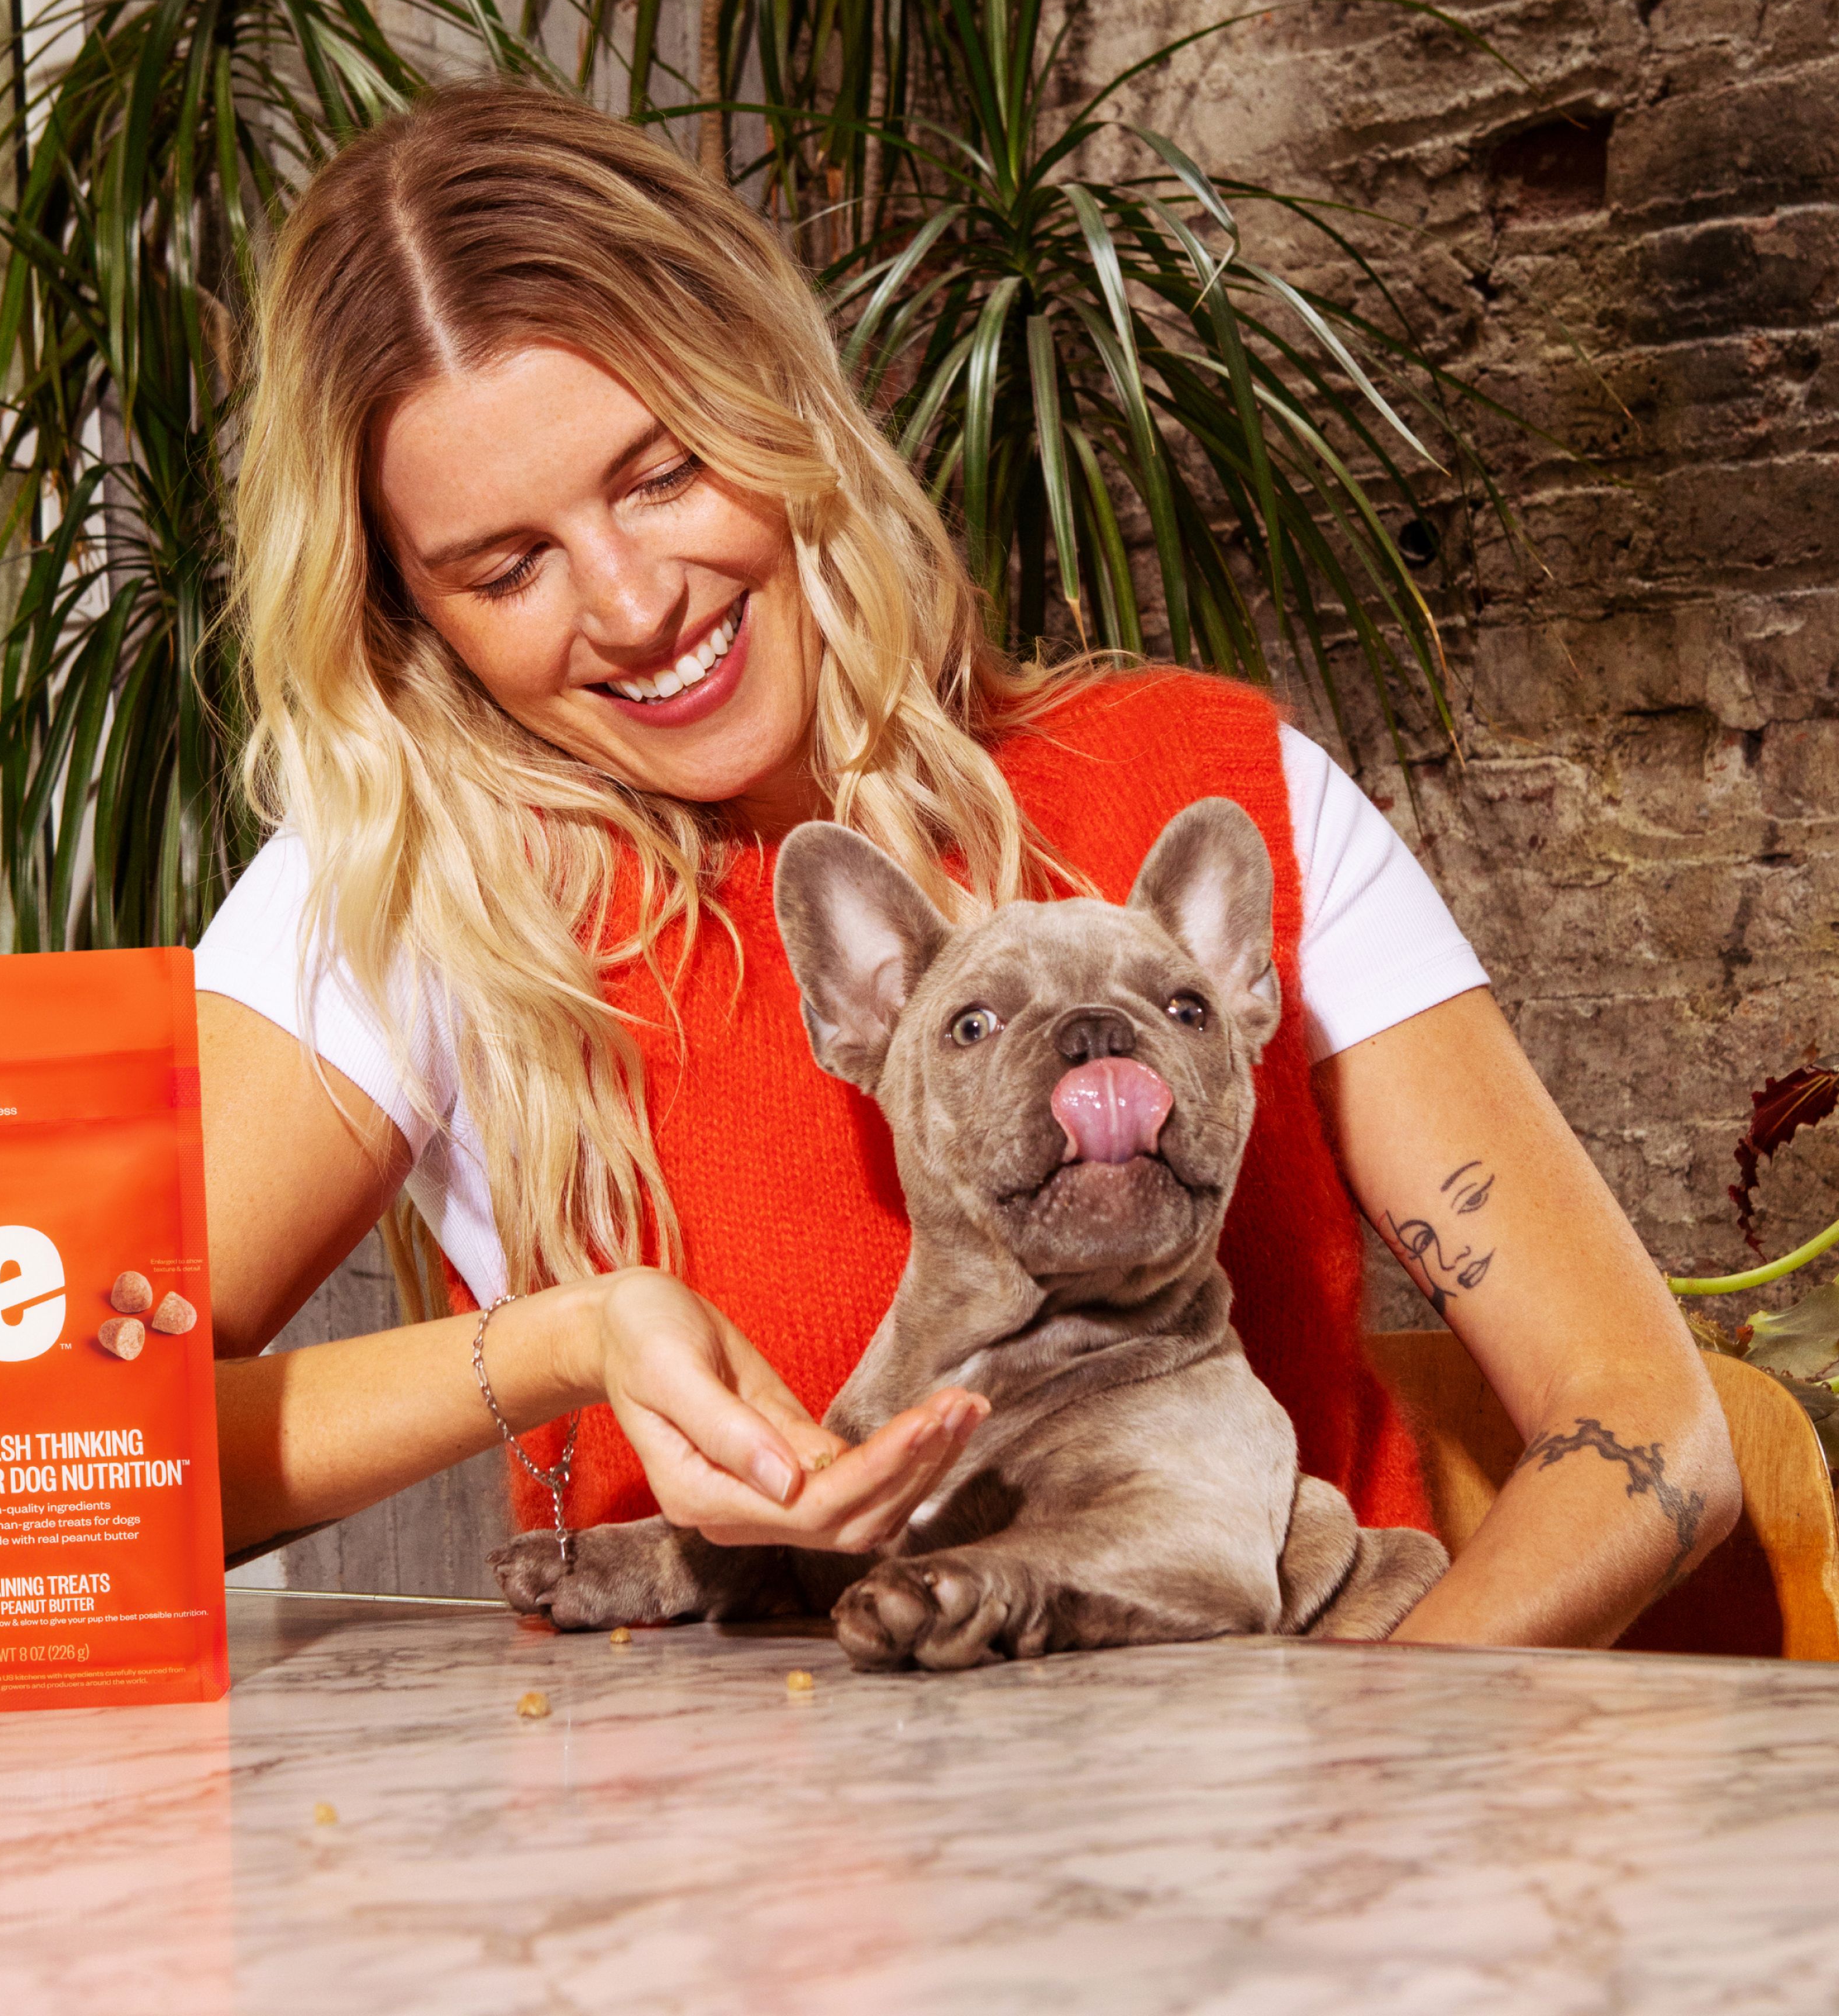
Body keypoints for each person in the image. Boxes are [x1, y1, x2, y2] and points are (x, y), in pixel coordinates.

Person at [199, 79, 1737, 1647]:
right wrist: (564, 1342)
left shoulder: (1219, 783)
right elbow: (46, 1469)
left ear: (776, 402)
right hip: (704, 1860)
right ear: (412, 624)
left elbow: (1647, 1426)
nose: (630, 599)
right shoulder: (407, 905)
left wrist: (1368, 1789)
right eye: (506, 566)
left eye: (661, 474)